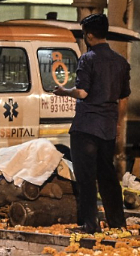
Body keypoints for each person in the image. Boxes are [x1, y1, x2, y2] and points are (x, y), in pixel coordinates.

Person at [53, 14, 130, 234]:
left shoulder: (88, 59)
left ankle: (89, 224)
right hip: (107, 127)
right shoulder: (121, 62)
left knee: (86, 178)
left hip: (86, 126)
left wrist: (64, 91)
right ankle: (117, 223)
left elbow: (83, 92)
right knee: (108, 176)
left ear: (88, 35)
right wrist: (118, 124)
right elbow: (123, 96)